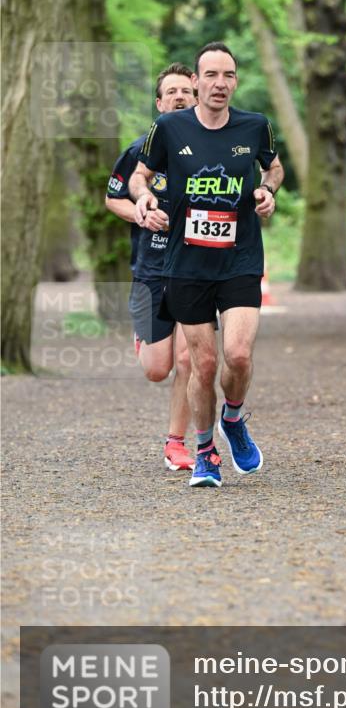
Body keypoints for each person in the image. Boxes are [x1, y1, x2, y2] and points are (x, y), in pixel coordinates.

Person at [129, 42, 284, 489]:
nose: (220, 84)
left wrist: (268, 189)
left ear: (236, 81)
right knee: (203, 364)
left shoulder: (255, 126)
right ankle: (205, 452)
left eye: (228, 75)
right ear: (196, 82)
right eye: (211, 75)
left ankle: (232, 419)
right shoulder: (169, 128)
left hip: (239, 259)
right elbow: (141, 176)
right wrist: (144, 199)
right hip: (186, 264)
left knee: (237, 354)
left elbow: (274, 168)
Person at [105, 63, 198, 471]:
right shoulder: (139, 151)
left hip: (196, 268)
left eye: (186, 91)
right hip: (151, 270)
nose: (179, 97)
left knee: (190, 361)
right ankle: (145, 342)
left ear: (196, 99)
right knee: (158, 370)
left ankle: (177, 443)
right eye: (171, 92)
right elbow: (113, 198)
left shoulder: (211, 150)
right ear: (159, 103)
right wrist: (141, 214)